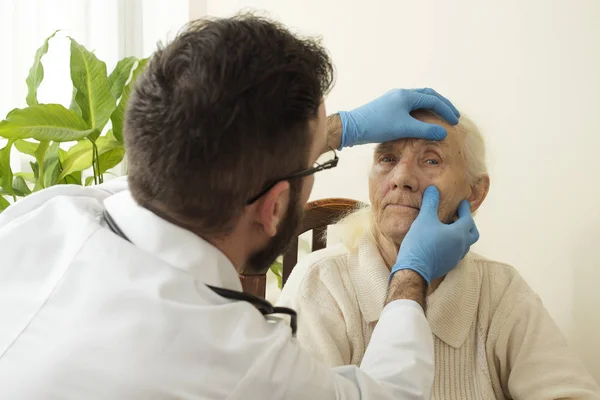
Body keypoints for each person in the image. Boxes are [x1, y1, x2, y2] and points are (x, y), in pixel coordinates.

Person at [0, 15, 476, 399]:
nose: (402, 176)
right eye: (318, 163)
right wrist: (412, 274)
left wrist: (337, 129)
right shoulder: (238, 363)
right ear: (273, 210)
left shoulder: (44, 215)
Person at [277, 110, 600, 399]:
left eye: (431, 160)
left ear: (474, 193)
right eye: (387, 158)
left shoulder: (499, 289)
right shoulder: (321, 282)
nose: (401, 178)